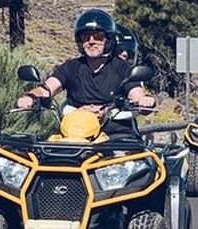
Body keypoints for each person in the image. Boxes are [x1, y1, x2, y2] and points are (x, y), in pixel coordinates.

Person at [16, 9, 155, 137]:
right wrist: (30, 97)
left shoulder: (122, 68)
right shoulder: (70, 67)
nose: (92, 41)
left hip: (116, 136)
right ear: (80, 41)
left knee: (128, 156)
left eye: (98, 36)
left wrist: (144, 101)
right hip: (75, 134)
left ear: (108, 39)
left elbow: (136, 93)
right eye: (86, 37)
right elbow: (46, 89)